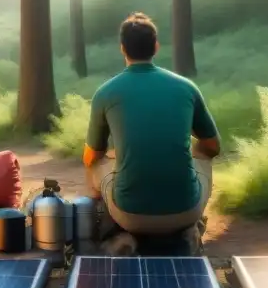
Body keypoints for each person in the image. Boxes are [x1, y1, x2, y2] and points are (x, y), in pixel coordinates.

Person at [82, 12, 221, 243]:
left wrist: (113, 158)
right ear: (156, 47)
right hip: (185, 212)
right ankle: (188, 228)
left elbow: (91, 156)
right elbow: (213, 146)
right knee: (202, 155)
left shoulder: (105, 92)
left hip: (130, 216)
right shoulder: (186, 87)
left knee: (95, 161)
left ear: (122, 48)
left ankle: (109, 225)